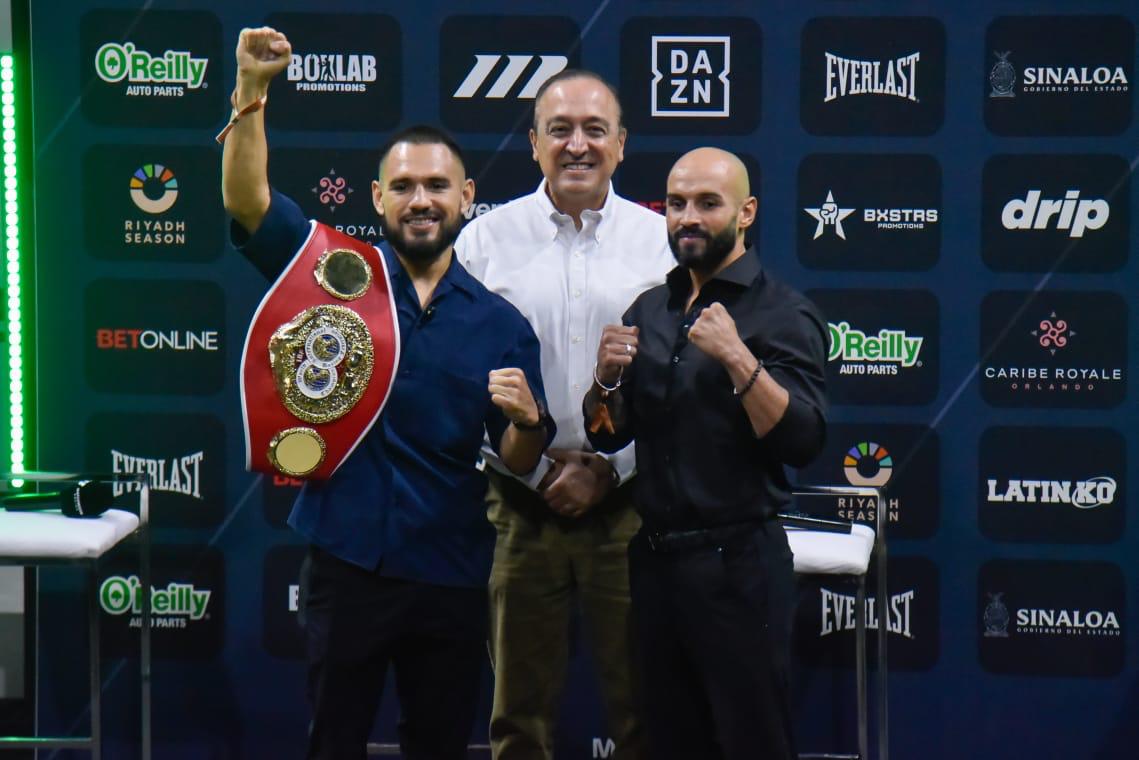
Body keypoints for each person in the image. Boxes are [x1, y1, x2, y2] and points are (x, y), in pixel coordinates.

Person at [220, 27, 555, 760]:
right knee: (333, 742)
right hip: (348, 564)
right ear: (377, 197)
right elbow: (249, 203)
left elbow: (519, 458)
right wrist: (251, 89)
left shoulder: (501, 325)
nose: (420, 200)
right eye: (403, 187)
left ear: (467, 197)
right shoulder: (334, 277)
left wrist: (529, 421)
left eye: (437, 186)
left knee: (438, 744)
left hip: (452, 570)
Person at [584, 147, 828, 760]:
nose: (688, 217)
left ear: (746, 212)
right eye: (676, 204)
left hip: (738, 565)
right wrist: (605, 382)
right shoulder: (650, 309)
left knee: (752, 741)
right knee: (668, 740)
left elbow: (802, 440)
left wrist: (738, 358)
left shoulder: (782, 312)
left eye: (707, 203)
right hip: (655, 562)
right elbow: (608, 434)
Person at [455, 70, 672, 758]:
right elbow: (462, 379)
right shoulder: (482, 243)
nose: (577, 145)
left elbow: (682, 383)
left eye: (594, 130)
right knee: (518, 717)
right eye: (560, 130)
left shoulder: (663, 242)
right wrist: (533, 469)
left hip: (632, 508)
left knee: (644, 709)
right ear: (533, 143)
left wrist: (613, 467)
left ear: (621, 144)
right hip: (519, 506)